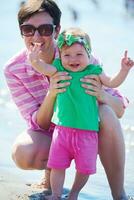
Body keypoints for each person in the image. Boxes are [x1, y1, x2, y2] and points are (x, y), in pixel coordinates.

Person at [4, 0, 129, 199]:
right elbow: (40, 124)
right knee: (24, 152)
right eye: (28, 29)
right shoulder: (14, 69)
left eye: (44, 29)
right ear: (22, 32)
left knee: (106, 112)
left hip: (87, 131)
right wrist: (52, 93)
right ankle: (51, 182)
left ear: (57, 30)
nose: (36, 37)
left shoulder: (79, 56)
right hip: (57, 135)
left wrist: (101, 94)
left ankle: (118, 193)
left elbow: (119, 110)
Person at [28, 27, 133, 200]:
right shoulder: (59, 69)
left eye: (79, 54)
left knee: (84, 168)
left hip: (88, 133)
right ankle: (55, 194)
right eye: (67, 55)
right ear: (60, 56)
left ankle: (74, 194)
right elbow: (44, 68)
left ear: (89, 55)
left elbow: (113, 83)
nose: (73, 59)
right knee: (57, 165)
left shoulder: (94, 71)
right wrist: (34, 61)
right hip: (62, 132)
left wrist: (124, 70)